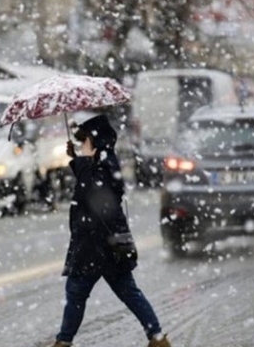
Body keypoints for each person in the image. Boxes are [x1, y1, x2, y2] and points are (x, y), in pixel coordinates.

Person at [52, 115, 171, 347]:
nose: (82, 144)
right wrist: (77, 159)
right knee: (127, 292)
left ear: (94, 141)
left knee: (76, 293)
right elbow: (93, 186)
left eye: (84, 140)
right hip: (107, 243)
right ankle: (157, 337)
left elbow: (92, 192)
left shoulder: (103, 164)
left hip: (96, 245)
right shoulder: (104, 161)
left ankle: (63, 342)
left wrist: (83, 161)